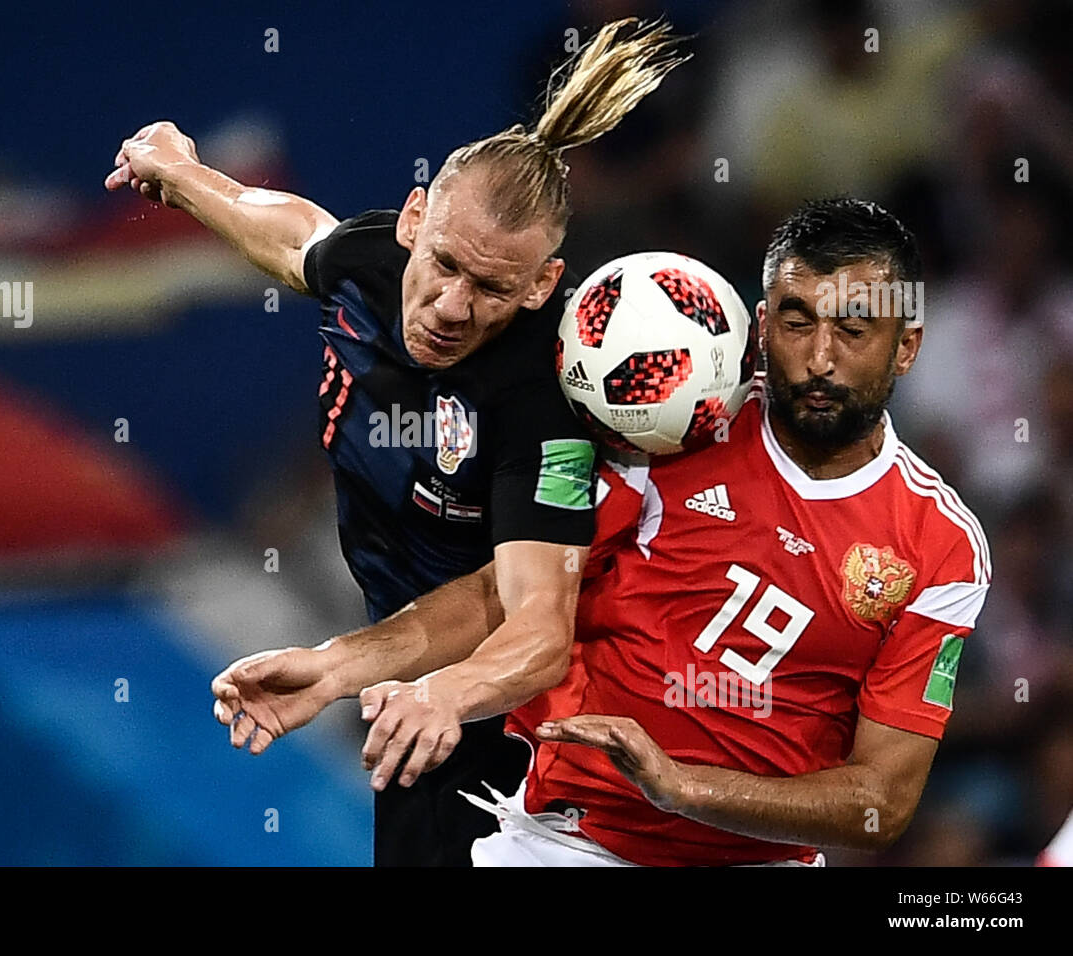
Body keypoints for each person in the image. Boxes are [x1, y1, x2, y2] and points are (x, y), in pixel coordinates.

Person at [213, 198, 991, 866]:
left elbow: (879, 802)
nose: (819, 358)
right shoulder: (664, 431)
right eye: (797, 322)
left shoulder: (940, 548)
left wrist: (678, 786)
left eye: (853, 331)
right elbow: (503, 593)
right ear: (758, 327)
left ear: (907, 347)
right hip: (569, 841)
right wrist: (332, 667)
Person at [108, 20, 689, 866]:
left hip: (513, 718)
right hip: (404, 681)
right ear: (414, 221)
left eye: (492, 288)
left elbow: (535, 625)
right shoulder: (377, 263)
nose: (454, 306)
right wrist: (181, 171)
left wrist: (427, 692)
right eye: (445, 265)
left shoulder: (542, 401)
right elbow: (288, 232)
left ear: (542, 286)